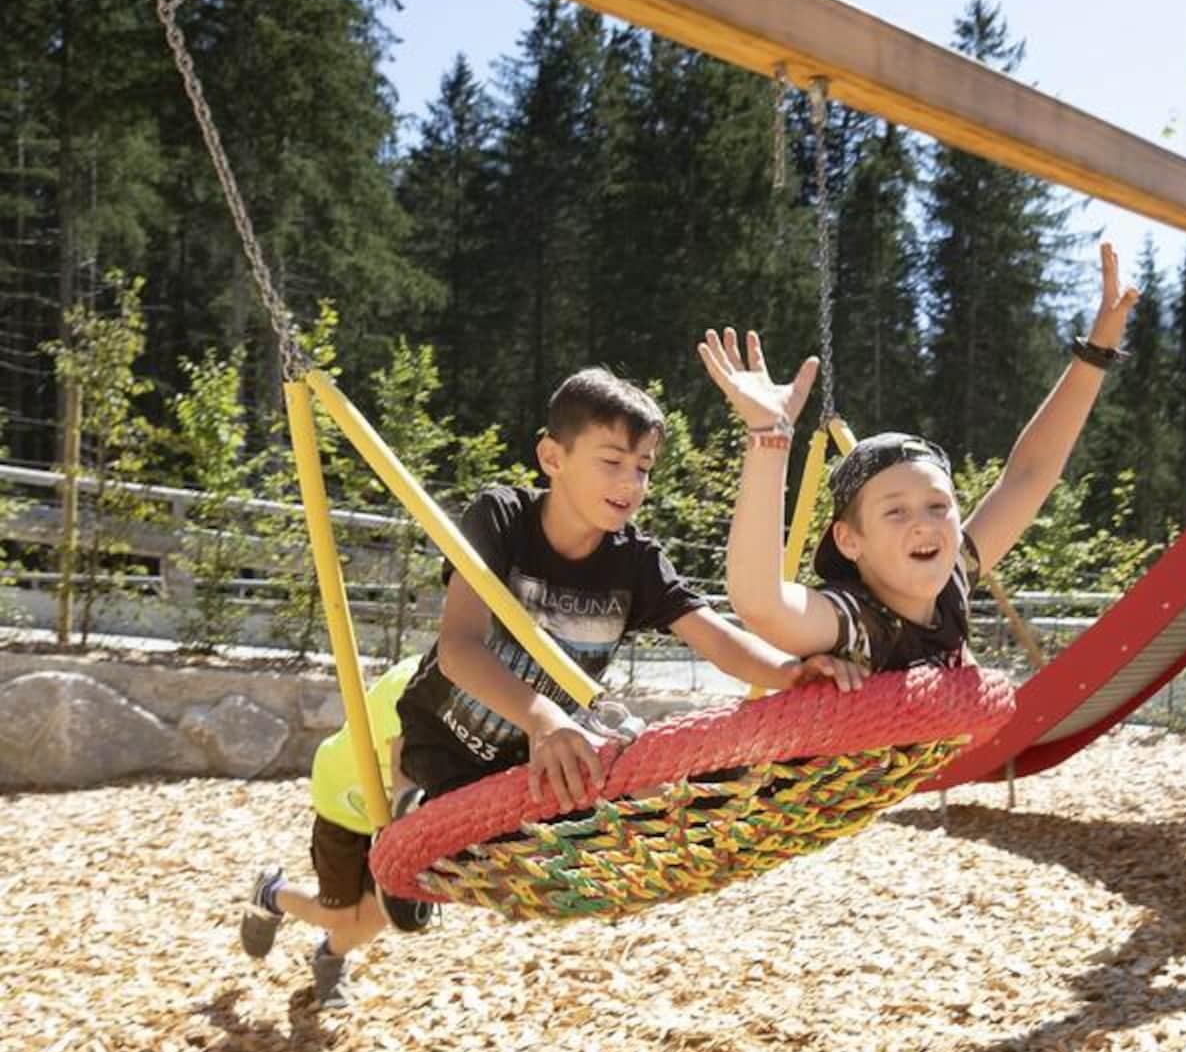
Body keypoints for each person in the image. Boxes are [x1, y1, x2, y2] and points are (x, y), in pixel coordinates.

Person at [239, 368, 863, 1007]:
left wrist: (791, 672)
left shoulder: (635, 563)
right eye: (612, 461)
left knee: (422, 896)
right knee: (364, 902)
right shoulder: (503, 519)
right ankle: (325, 868)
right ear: (552, 457)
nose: (631, 484)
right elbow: (459, 647)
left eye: (644, 468)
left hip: (517, 762)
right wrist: (543, 717)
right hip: (438, 737)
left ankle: (399, 858)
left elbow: (717, 637)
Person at [698, 242, 1137, 673]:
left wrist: (1097, 351)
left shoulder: (952, 584)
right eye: (895, 512)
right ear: (849, 540)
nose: (924, 523)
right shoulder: (853, 621)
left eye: (938, 506)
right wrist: (769, 436)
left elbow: (1029, 475)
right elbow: (762, 604)